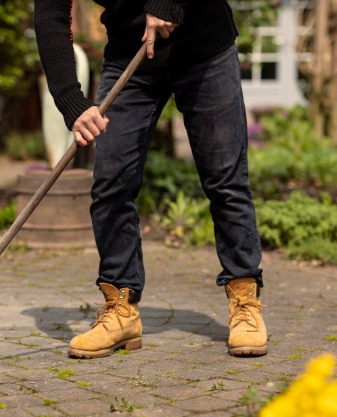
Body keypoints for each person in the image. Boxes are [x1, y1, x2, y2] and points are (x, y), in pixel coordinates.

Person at [34, 0, 267, 358]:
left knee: (225, 179)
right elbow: (50, 18)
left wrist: (167, 2)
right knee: (111, 181)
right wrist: (72, 102)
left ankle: (245, 299)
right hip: (131, 55)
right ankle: (121, 308)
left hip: (205, 47)